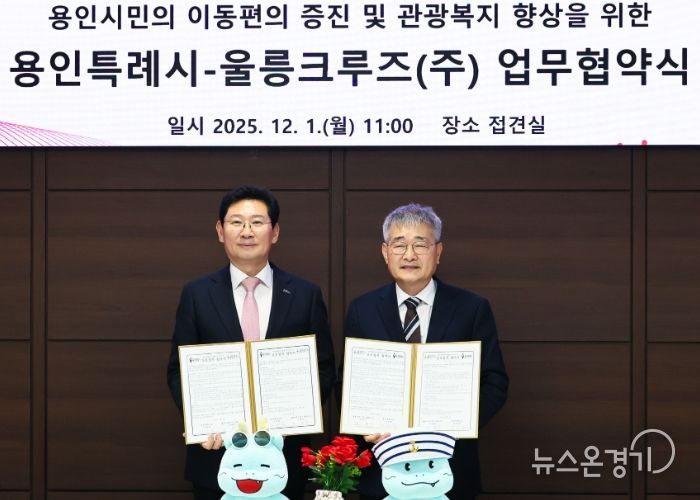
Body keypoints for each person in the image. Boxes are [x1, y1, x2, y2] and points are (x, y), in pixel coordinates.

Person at [167, 185, 336, 500]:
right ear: (221, 231)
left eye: (257, 222)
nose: (247, 231)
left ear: (275, 232)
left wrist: (295, 416)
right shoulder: (197, 294)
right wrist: (199, 421)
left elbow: (324, 368)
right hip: (215, 457)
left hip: (283, 460)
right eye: (236, 222)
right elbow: (178, 371)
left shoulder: (305, 294)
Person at [344, 203, 508, 500]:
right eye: (399, 245)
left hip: (451, 468)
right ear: (385, 252)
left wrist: (456, 426)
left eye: (420, 244)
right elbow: (348, 382)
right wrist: (364, 423)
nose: (409, 255)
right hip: (383, 469)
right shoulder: (362, 309)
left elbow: (494, 383)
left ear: (438, 252)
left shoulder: (471, 308)